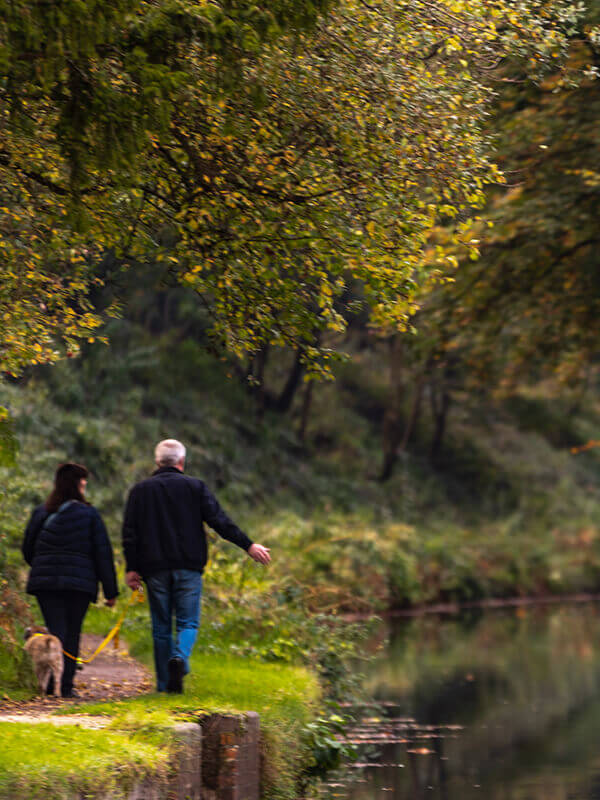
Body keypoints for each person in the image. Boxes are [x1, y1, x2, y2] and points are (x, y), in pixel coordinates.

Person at [122, 439, 271, 693]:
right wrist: (248, 545)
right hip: (189, 568)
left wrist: (132, 568)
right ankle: (179, 658)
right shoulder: (195, 487)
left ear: (157, 461)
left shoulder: (140, 491)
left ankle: (164, 686)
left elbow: (130, 533)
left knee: (160, 627)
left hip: (154, 568)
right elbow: (220, 521)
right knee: (188, 623)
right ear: (181, 461)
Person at [22, 462, 119, 698]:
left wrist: (43, 565)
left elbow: (27, 548)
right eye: (83, 482)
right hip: (80, 584)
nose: (85, 487)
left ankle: (46, 684)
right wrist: (110, 591)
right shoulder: (90, 515)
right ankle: (65, 687)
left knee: (56, 630)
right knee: (73, 632)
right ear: (77, 485)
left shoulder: (41, 512)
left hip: (47, 584)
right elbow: (102, 553)